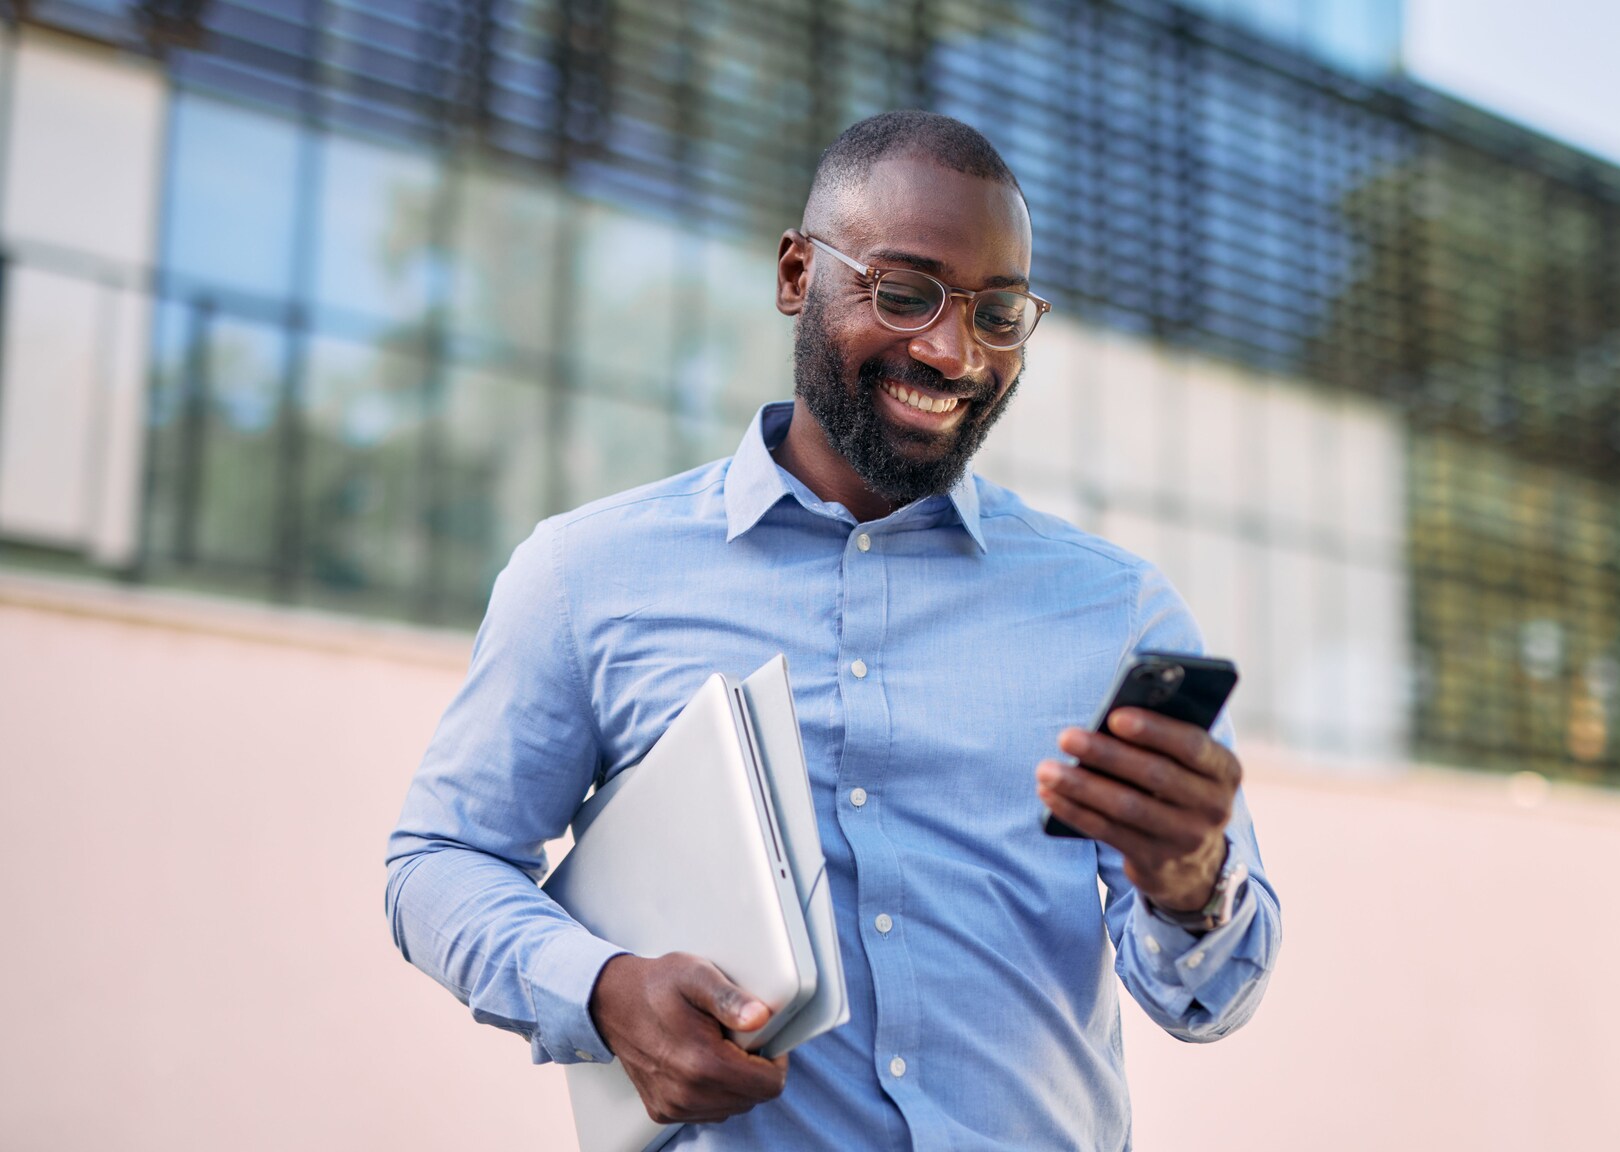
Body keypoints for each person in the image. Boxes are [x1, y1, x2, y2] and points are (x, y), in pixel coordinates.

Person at [385, 109, 1281, 1150]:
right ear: (794, 273)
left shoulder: (1114, 611)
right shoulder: (585, 576)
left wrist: (1189, 888)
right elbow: (438, 860)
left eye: (998, 316)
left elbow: (1205, 999)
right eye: (904, 295)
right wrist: (600, 991)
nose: (951, 352)